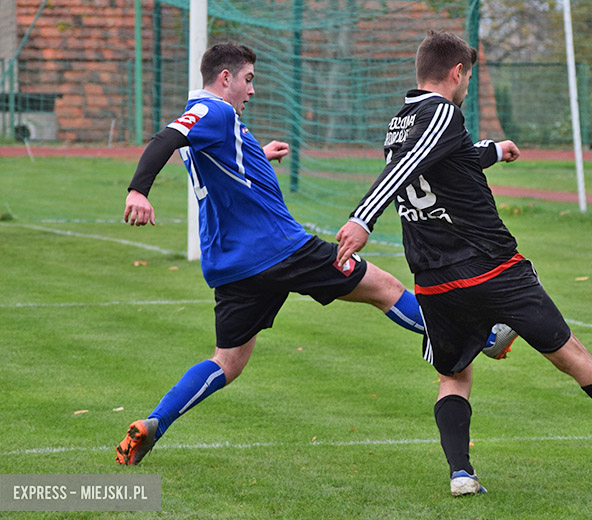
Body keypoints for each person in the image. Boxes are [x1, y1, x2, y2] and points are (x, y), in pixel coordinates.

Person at [116, 42, 515, 466]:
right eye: (248, 80)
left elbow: (218, 167)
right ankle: (487, 337)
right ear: (225, 78)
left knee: (227, 362)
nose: (252, 91)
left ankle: (154, 421)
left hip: (231, 265)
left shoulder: (216, 125)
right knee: (385, 288)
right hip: (280, 250)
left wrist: (258, 156)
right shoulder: (214, 112)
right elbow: (166, 138)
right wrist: (138, 189)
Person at [336, 31, 592, 496]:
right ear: (457, 73)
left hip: (434, 277)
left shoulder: (401, 122)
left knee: (454, 376)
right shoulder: (444, 110)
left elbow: (442, 161)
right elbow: (404, 169)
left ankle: (461, 474)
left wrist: (492, 150)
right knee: (574, 358)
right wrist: (362, 218)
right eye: (467, 77)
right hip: (491, 266)